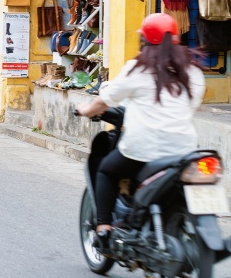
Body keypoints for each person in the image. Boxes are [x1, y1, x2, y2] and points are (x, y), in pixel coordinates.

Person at [76, 13, 205, 248]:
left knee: (106, 170)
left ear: (144, 40)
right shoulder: (193, 72)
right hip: (183, 150)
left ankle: (103, 228)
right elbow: (191, 106)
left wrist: (86, 110)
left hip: (143, 147)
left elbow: (105, 100)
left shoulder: (138, 68)